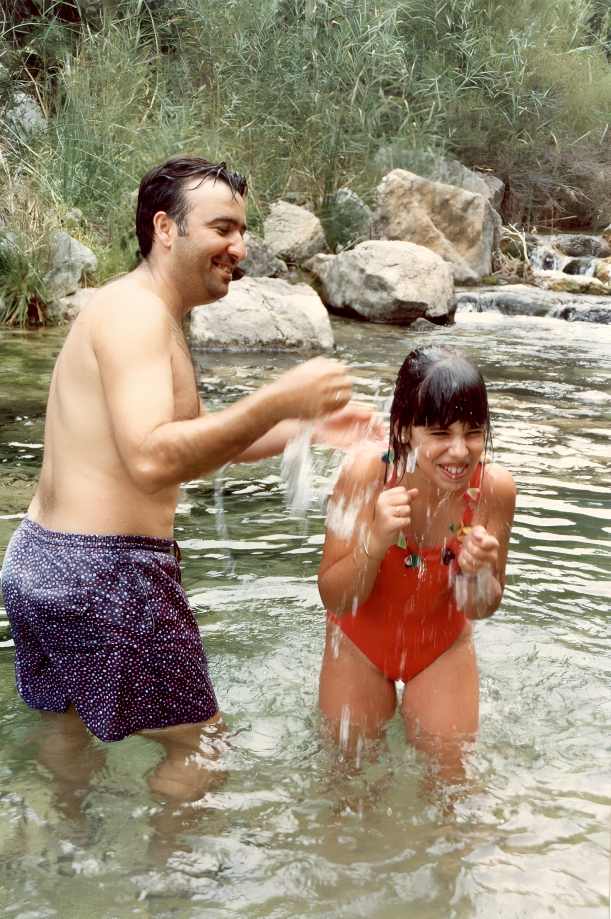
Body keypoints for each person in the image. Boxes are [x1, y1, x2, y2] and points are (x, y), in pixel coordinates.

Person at [1, 155, 380, 808]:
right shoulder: (138, 315)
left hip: (40, 561)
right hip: (107, 574)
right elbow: (151, 458)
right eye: (222, 228)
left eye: (243, 231)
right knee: (201, 747)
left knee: (66, 724)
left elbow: (192, 442)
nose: (240, 248)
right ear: (165, 229)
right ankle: (172, 871)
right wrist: (276, 397)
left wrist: (305, 428)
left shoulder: (133, 307)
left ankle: (67, 848)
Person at [318, 346, 516, 767]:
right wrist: (375, 541)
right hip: (358, 646)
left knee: (452, 782)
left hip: (442, 649)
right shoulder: (367, 475)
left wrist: (478, 575)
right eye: (441, 434)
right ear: (404, 429)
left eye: (473, 432)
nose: (460, 451)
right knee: (346, 780)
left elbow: (480, 609)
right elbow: (335, 598)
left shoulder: (493, 489)